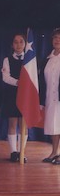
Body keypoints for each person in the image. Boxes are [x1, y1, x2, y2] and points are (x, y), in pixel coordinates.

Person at [1, 34, 28, 162]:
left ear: (25, 44)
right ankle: (13, 152)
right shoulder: (7, 59)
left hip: (26, 95)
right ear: (12, 45)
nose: (18, 45)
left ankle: (22, 151)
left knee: (24, 124)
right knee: (13, 123)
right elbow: (5, 77)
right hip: (12, 93)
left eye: (21, 42)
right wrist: (19, 83)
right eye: (15, 42)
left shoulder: (30, 59)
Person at [40, 28, 60, 165]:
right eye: (55, 38)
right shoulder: (47, 59)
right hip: (50, 98)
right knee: (54, 126)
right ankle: (54, 152)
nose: (57, 40)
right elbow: (42, 80)